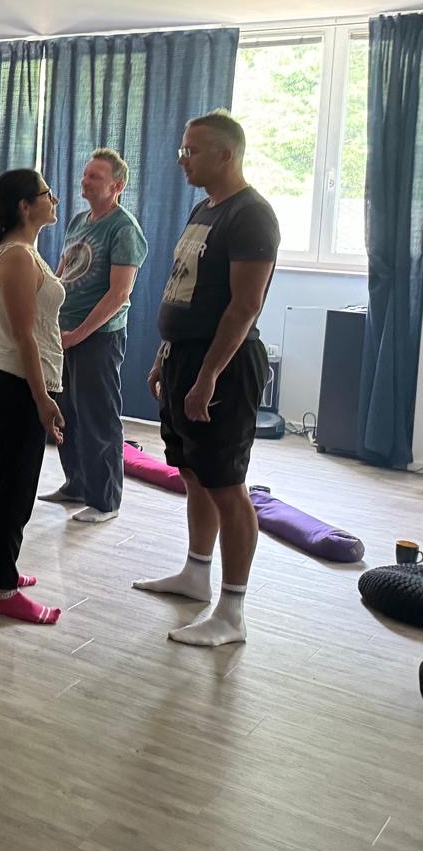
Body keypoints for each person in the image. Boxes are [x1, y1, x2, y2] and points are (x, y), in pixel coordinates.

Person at [135, 111, 278, 647]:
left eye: (191, 151)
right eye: (182, 149)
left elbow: (245, 306)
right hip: (183, 357)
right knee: (194, 472)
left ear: (226, 154)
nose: (182, 160)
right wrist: (165, 356)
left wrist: (209, 375)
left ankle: (232, 612)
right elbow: (184, 290)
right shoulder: (204, 210)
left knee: (226, 484)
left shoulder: (252, 216)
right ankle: (196, 574)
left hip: (224, 366)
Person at [0, 169, 65, 625]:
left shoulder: (16, 251)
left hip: (2, 378)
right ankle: (3, 590)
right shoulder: (18, 257)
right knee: (13, 486)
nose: (55, 199)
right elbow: (25, 336)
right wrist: (42, 398)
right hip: (14, 382)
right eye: (47, 194)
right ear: (25, 206)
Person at [38, 149, 149, 524]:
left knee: (98, 417)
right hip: (63, 332)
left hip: (98, 337)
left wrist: (80, 334)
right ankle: (77, 484)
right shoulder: (77, 221)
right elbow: (61, 274)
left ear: (117, 186)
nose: (85, 181)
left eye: (95, 177)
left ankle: (105, 501)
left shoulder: (124, 229)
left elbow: (119, 294)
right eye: (85, 175)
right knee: (67, 412)